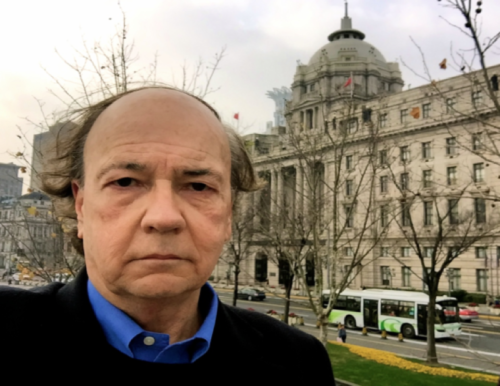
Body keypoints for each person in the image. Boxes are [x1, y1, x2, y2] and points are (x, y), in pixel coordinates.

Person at [0, 87, 335, 383]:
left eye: (198, 186)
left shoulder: (299, 362)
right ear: (81, 206)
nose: (164, 217)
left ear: (229, 213)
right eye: (125, 182)